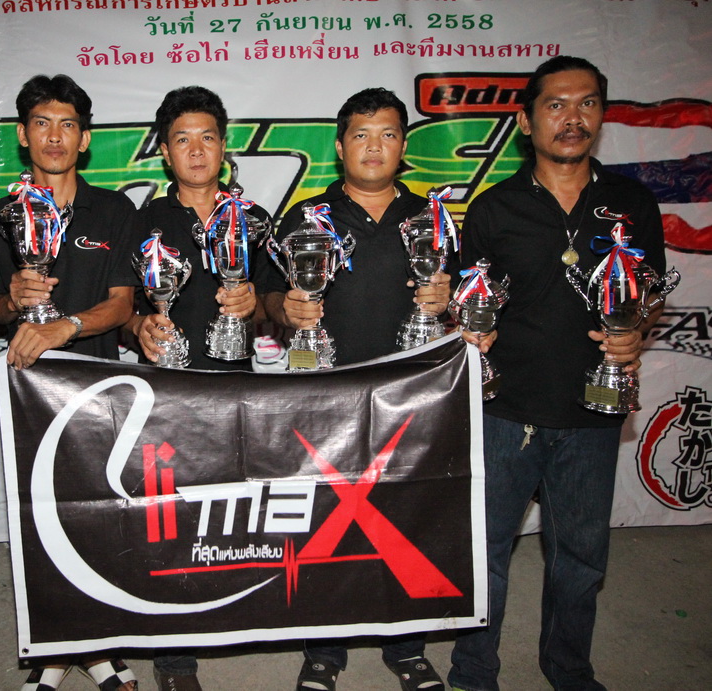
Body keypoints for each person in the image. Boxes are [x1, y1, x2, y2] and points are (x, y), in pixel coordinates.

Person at [446, 56, 667, 691]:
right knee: (487, 552)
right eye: (556, 105)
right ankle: (473, 672)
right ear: (526, 120)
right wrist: (472, 329)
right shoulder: (494, 208)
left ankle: (569, 670)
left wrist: (635, 331)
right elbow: (469, 300)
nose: (573, 118)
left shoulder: (632, 204)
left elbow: (649, 293)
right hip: (504, 410)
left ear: (601, 115)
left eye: (587, 104)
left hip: (593, 411)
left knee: (581, 557)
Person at [261, 88, 451, 691]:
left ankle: (407, 645)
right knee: (327, 521)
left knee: (405, 517)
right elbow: (266, 296)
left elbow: (467, 303)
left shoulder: (432, 219)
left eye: (388, 134)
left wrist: (448, 302)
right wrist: (286, 308)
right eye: (361, 135)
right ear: (340, 147)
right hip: (327, 395)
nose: (374, 146)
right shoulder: (307, 216)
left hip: (410, 392)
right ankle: (324, 649)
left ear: (403, 146)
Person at [0, 74, 140, 691]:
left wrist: (63, 326)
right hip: (28, 390)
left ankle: (96, 645)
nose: (55, 136)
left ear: (85, 138)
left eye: (67, 124)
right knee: (40, 519)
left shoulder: (114, 210)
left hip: (100, 387)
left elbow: (122, 304)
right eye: (42, 123)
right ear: (24, 135)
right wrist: (11, 300)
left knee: (100, 516)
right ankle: (58, 649)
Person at [127, 85, 266, 690]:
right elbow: (124, 307)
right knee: (169, 524)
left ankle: (232, 617)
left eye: (207, 137)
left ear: (224, 145)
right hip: (167, 395)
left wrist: (257, 302)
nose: (196, 149)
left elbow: (282, 305)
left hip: (237, 389)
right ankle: (175, 659)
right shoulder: (144, 222)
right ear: (165, 152)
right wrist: (140, 326)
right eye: (182, 139)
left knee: (232, 515)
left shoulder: (253, 219)